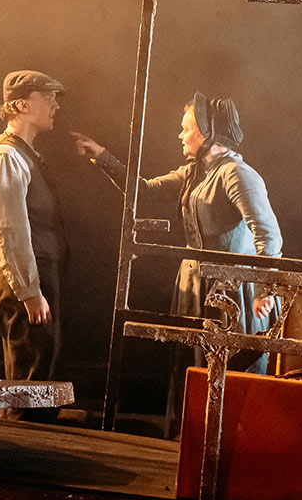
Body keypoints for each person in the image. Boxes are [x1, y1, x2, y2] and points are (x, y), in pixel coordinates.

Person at [72, 91, 283, 371]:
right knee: (193, 369)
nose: (180, 136)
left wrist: (264, 289)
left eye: (186, 129)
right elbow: (144, 191)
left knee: (229, 369)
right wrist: (102, 157)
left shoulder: (236, 173)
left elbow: (267, 234)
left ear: (206, 133)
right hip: (195, 287)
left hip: (230, 292)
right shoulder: (195, 172)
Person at [0, 70, 69, 385]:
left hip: (36, 278)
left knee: (38, 381)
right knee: (28, 389)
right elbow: (9, 231)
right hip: (23, 284)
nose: (55, 105)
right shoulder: (6, 156)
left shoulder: (26, 154)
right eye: (46, 98)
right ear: (21, 105)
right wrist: (30, 292)